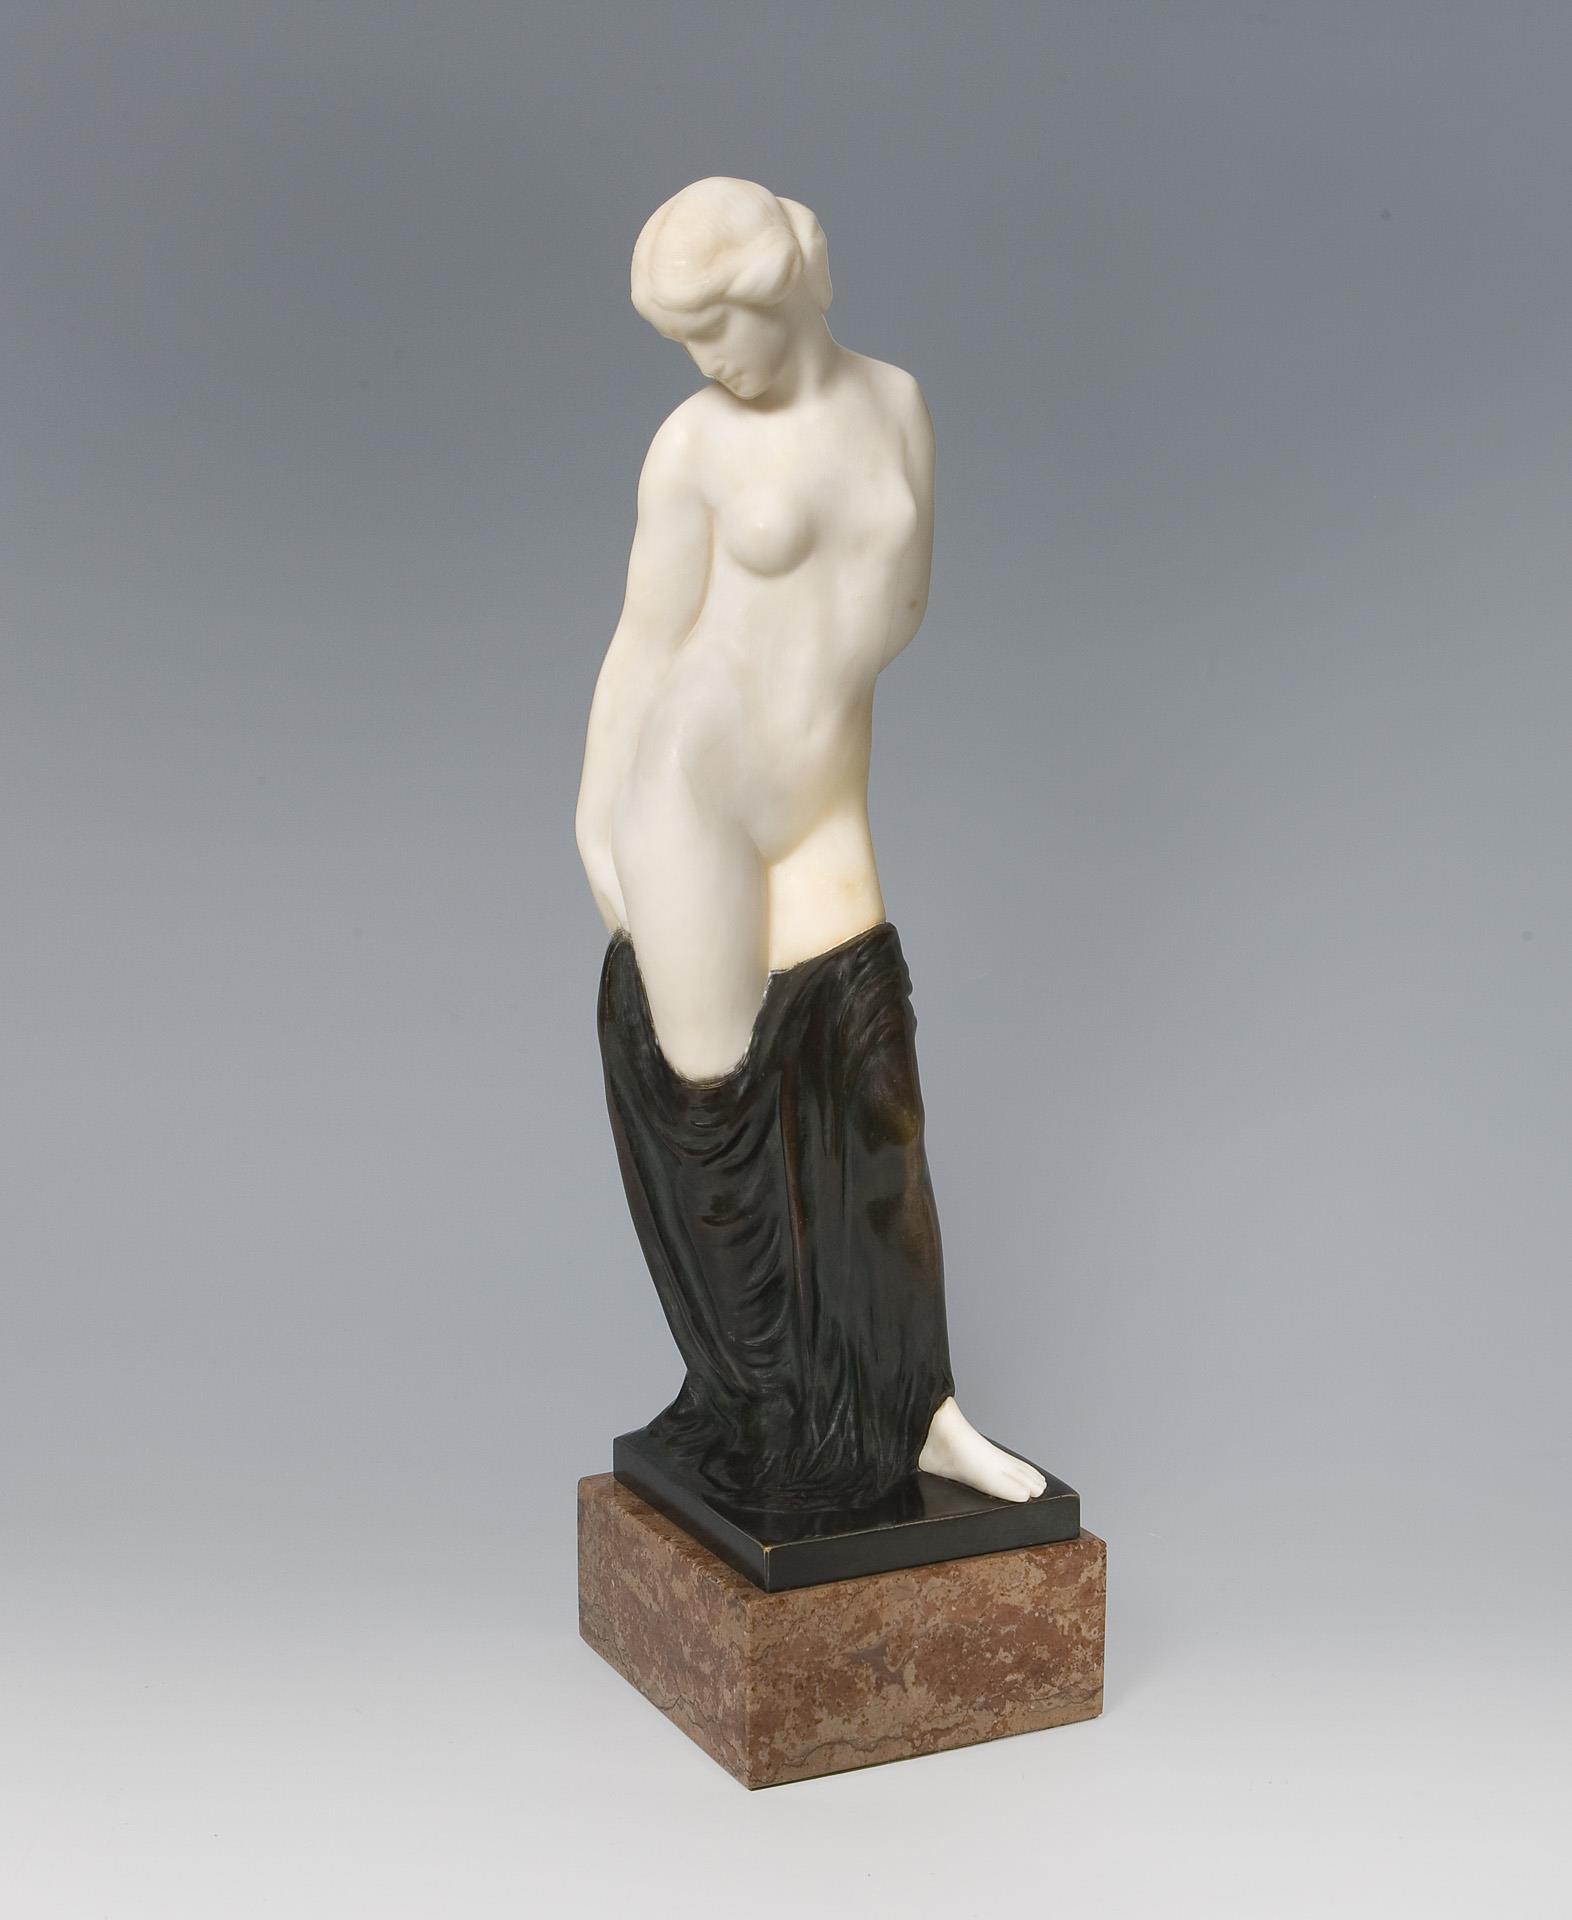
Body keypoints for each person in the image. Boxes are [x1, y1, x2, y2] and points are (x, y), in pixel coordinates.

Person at [577, 178, 1045, 1505]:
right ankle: (770, 1409)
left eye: (715, 326)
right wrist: (594, 812)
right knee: (720, 1127)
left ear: (781, 290)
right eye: (682, 340)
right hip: (697, 790)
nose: (704, 360)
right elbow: (645, 638)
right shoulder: (691, 448)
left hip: (825, 795)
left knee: (878, 1098)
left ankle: (918, 1407)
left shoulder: (896, 404)